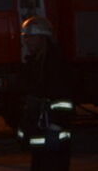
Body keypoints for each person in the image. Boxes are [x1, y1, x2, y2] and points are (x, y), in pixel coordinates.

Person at [17, 16, 72, 171]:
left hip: (54, 129)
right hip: (40, 129)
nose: (27, 41)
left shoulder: (55, 62)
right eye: (25, 37)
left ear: (43, 37)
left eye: (31, 37)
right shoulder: (34, 62)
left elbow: (63, 97)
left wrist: (56, 125)